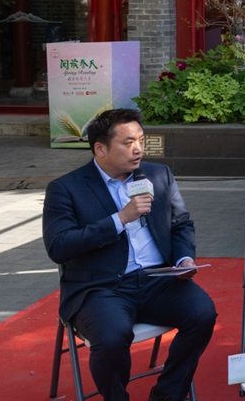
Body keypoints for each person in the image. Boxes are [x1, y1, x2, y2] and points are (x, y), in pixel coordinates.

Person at [42, 108, 217, 401]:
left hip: (157, 279)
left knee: (202, 313)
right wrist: (119, 219)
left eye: (141, 140)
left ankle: (167, 394)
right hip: (100, 287)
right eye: (128, 142)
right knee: (111, 338)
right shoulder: (66, 188)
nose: (138, 149)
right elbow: (58, 246)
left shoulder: (158, 175)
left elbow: (181, 223)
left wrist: (183, 259)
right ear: (100, 148)